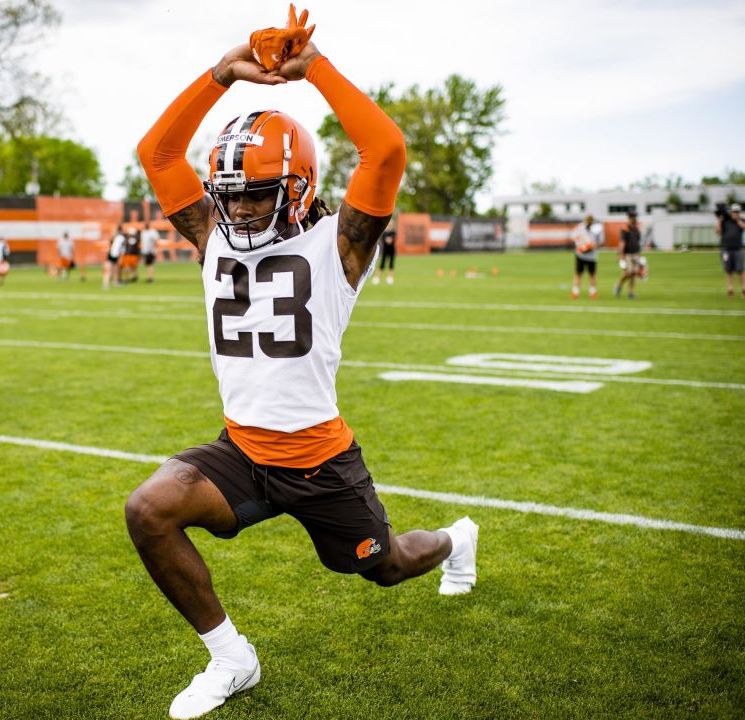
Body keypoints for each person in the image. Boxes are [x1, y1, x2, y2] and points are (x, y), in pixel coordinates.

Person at [128, 20, 478, 720]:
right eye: (229, 193)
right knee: (149, 510)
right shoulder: (210, 234)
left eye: (257, 192)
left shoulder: (340, 245)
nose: (240, 206)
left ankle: (455, 539)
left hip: (320, 462)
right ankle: (232, 659)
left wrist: (314, 68)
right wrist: (221, 75)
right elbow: (157, 153)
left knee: (385, 568)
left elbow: (386, 148)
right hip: (240, 449)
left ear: (298, 185)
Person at [716, 203, 745, 298]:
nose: (736, 213)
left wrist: (738, 220)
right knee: (729, 271)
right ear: (731, 211)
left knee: (740, 270)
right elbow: (718, 232)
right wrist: (719, 220)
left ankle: (744, 290)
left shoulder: (742, 220)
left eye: (737, 211)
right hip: (726, 249)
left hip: (738, 249)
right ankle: (730, 290)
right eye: (734, 211)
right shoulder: (725, 221)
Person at [569, 213, 603, 299]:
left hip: (592, 256)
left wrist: (592, 245)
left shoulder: (597, 229)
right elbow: (573, 237)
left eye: (590, 221)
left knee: (592, 274)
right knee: (578, 274)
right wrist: (581, 246)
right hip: (581, 255)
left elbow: (601, 242)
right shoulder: (580, 228)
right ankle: (575, 292)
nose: (589, 223)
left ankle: (593, 292)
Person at [614, 209, 642, 299]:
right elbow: (622, 242)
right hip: (628, 254)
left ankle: (631, 292)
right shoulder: (625, 228)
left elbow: (638, 242)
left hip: (636, 254)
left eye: (634, 216)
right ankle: (618, 284)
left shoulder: (636, 228)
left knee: (634, 273)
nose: (634, 218)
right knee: (628, 272)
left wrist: (639, 253)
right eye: (632, 217)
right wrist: (620, 255)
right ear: (629, 217)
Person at [103, 225, 126, 289]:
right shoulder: (121, 237)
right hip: (116, 255)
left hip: (111, 254)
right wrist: (120, 258)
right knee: (114, 270)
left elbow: (111, 245)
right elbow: (122, 249)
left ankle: (108, 283)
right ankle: (113, 283)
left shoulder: (115, 236)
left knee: (110, 270)